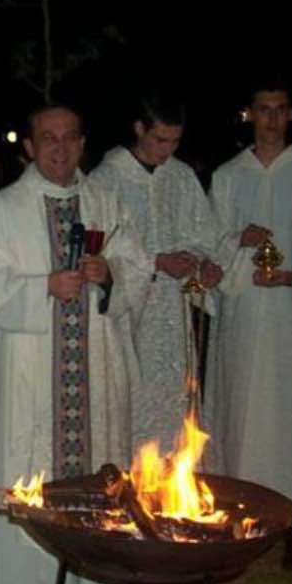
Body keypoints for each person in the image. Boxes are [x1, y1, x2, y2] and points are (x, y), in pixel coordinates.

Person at [0, 103, 144, 584]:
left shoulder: (107, 204)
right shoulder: (2, 210)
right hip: (31, 372)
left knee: (98, 467)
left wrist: (108, 274)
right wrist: (42, 287)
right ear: (28, 146)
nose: (61, 148)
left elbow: (136, 268)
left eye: (70, 137)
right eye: (49, 138)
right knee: (35, 465)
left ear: (83, 143)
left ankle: (98, 580)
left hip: (97, 365)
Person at [204, 80, 292, 570]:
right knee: (241, 412)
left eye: (280, 110)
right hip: (244, 316)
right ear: (250, 115)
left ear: (291, 116)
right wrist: (237, 242)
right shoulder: (227, 176)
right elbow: (211, 246)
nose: (270, 119)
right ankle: (240, 515)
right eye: (262, 110)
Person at [89, 92, 223, 454]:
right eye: (160, 139)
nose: (168, 149)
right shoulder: (106, 179)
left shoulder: (180, 177)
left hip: (173, 313)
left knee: (174, 398)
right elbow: (100, 247)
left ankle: (172, 485)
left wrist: (202, 263)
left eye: (176, 141)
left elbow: (202, 235)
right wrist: (155, 262)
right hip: (127, 314)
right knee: (130, 399)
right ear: (139, 129)